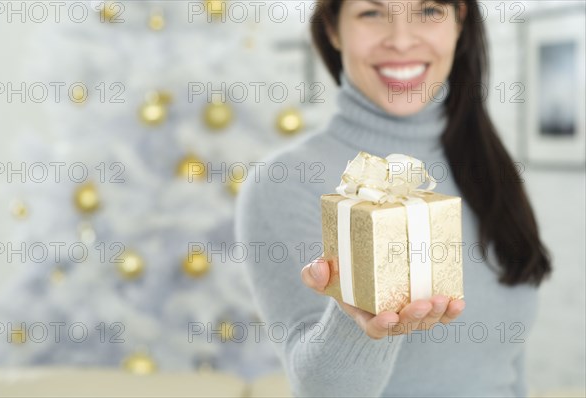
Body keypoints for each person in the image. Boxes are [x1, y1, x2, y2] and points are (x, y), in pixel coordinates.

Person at [235, 1, 552, 396]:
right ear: (333, 29)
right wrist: (359, 317)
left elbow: (505, 368)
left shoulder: (489, 166)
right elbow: (322, 390)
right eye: (372, 12)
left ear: (459, 22)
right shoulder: (285, 183)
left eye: (429, 10)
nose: (401, 41)